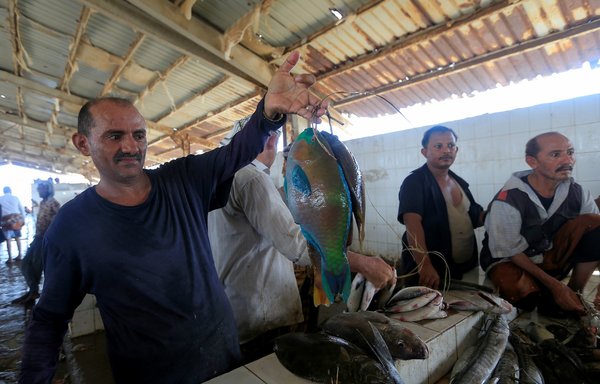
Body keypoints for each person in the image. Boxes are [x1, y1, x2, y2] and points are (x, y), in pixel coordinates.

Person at [19, 51, 328, 384]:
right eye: (114, 136)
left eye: (138, 135)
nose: (131, 146)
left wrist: (269, 114)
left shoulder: (182, 180)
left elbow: (234, 153)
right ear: (83, 143)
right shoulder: (72, 227)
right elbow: (49, 319)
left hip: (224, 357)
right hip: (151, 373)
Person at [208, 123, 396, 363]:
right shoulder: (251, 178)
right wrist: (364, 263)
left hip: (236, 310)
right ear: (267, 141)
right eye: (272, 139)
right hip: (266, 317)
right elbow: (296, 244)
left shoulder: (219, 180)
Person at [480, 132, 600, 316]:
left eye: (570, 152)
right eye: (556, 154)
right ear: (532, 162)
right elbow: (510, 251)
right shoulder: (508, 199)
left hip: (548, 255)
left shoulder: (577, 191)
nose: (568, 159)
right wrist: (556, 286)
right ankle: (550, 290)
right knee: (523, 295)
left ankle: (575, 292)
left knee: (594, 222)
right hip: (510, 258)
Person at [397, 125, 484, 289]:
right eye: (438, 146)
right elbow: (412, 225)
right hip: (430, 273)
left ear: (456, 150)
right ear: (425, 152)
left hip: (464, 268)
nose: (446, 151)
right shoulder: (415, 182)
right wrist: (425, 265)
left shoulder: (459, 182)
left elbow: (475, 217)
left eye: (450, 146)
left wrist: (499, 210)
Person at [12, 180, 61, 305]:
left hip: (45, 240)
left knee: (36, 266)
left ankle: (34, 292)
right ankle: (33, 290)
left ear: (48, 189)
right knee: (26, 264)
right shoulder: (43, 202)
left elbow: (60, 222)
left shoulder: (53, 203)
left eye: (41, 189)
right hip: (38, 238)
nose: (39, 191)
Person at [0, 186, 26, 264]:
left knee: (8, 239)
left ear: (4, 191)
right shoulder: (15, 198)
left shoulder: (1, 198)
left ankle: (10, 258)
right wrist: (23, 220)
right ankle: (20, 255)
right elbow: (21, 209)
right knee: (17, 237)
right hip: (16, 219)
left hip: (6, 220)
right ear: (10, 191)